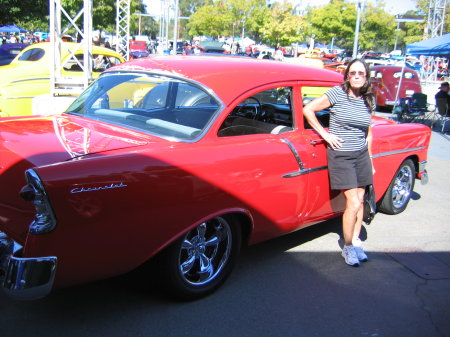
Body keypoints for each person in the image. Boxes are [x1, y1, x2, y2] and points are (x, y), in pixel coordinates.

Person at [303, 58, 375, 267]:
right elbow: (309, 109)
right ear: (347, 76)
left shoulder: (367, 99)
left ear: (366, 76)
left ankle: (357, 240)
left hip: (361, 154)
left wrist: (370, 159)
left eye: (361, 73)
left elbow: (368, 132)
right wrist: (325, 135)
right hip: (341, 154)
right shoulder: (338, 93)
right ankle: (349, 246)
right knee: (352, 202)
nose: (357, 76)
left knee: (361, 199)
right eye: (352, 73)